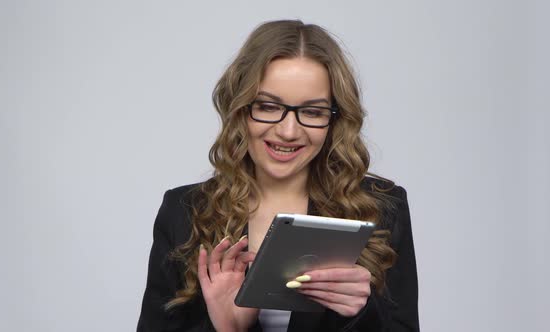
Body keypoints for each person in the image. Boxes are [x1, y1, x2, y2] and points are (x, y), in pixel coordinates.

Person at [137, 19, 419, 332]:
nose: (288, 131)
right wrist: (228, 329)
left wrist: (362, 313)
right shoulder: (184, 211)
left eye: (312, 112)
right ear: (240, 108)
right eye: (269, 106)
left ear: (335, 119)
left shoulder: (384, 208)